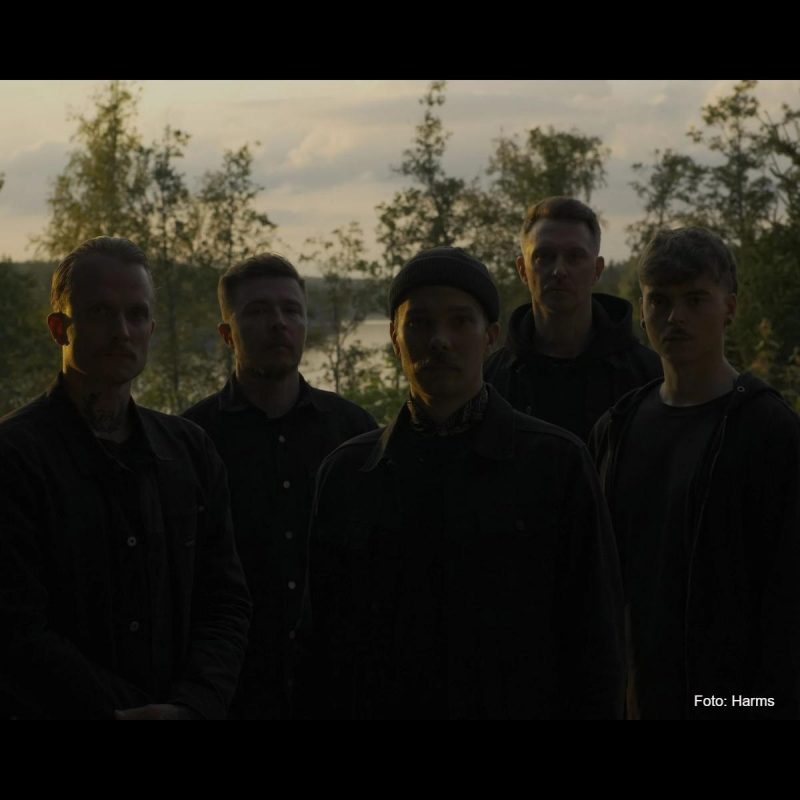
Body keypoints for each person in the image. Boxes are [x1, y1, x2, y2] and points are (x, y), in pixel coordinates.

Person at [295, 245, 624, 719]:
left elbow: (596, 644)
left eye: (460, 321)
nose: (440, 340)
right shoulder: (349, 475)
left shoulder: (555, 465)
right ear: (395, 338)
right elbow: (318, 651)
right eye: (420, 323)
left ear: (490, 336)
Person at [0, 236, 251, 720]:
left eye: (137, 315)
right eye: (100, 313)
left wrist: (193, 704)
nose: (122, 331)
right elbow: (14, 625)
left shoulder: (190, 451)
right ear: (59, 328)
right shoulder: (14, 457)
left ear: (151, 328)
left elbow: (225, 601)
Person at [589, 226, 800, 719]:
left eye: (695, 299)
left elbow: (788, 602)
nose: (675, 317)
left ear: (730, 307)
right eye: (659, 300)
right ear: (642, 310)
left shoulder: (769, 432)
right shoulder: (616, 429)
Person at [183, 253, 376, 718]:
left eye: (291, 310)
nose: (278, 323)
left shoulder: (354, 432)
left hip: (340, 691)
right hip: (231, 694)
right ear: (227, 333)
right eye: (257, 311)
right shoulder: (191, 441)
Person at [485, 196, 661, 440]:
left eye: (575, 256)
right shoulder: (490, 384)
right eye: (544, 256)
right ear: (523, 270)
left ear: (597, 270)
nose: (559, 270)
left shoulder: (648, 378)